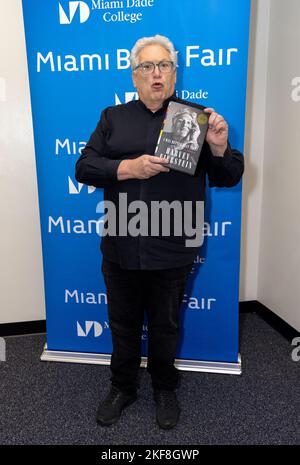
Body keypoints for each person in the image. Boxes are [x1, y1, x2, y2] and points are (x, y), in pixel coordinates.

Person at [75, 34, 244, 429]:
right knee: (122, 323)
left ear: (174, 74)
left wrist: (219, 147)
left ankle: (165, 388)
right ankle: (123, 387)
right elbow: (83, 167)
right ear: (134, 76)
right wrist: (126, 168)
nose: (156, 74)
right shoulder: (112, 118)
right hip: (121, 245)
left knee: (166, 325)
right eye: (147, 67)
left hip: (172, 247)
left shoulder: (194, 119)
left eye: (164, 66)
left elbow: (228, 175)